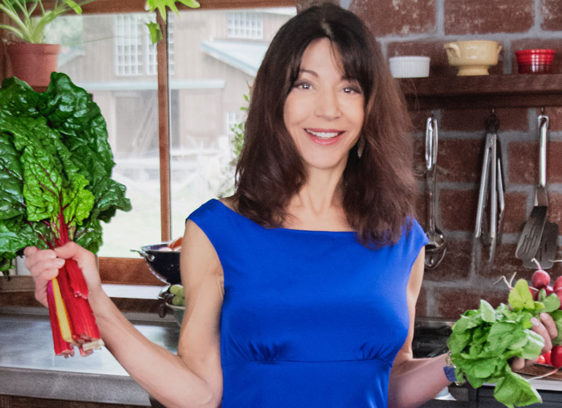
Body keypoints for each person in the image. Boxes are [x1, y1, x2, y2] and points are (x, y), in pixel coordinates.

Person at [24, 3, 556, 408]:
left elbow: (387, 382)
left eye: (349, 88)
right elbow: (199, 392)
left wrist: (472, 355)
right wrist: (95, 302)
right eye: (305, 83)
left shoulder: (401, 237)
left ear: (369, 108)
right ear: (274, 100)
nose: (327, 109)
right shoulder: (216, 230)